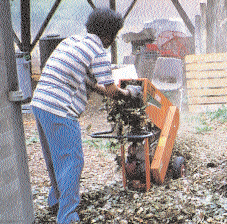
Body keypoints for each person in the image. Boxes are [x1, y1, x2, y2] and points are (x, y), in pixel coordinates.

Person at [31, 8, 141, 224]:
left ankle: (56, 201)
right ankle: (68, 216)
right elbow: (110, 90)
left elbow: (88, 82)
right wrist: (129, 94)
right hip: (60, 109)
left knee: (55, 159)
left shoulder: (72, 42)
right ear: (109, 35)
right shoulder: (99, 50)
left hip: (40, 102)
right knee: (73, 161)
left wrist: (105, 89)